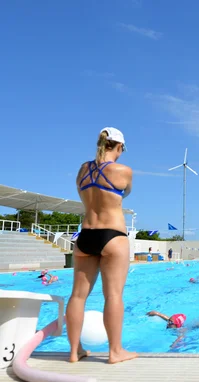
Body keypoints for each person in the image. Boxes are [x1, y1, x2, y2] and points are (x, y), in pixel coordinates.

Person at [66, 127, 137, 364]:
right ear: (118, 147)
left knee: (77, 296)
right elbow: (125, 193)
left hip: (85, 235)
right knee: (113, 295)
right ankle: (115, 352)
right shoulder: (123, 171)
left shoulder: (82, 171)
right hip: (113, 235)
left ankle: (75, 352)